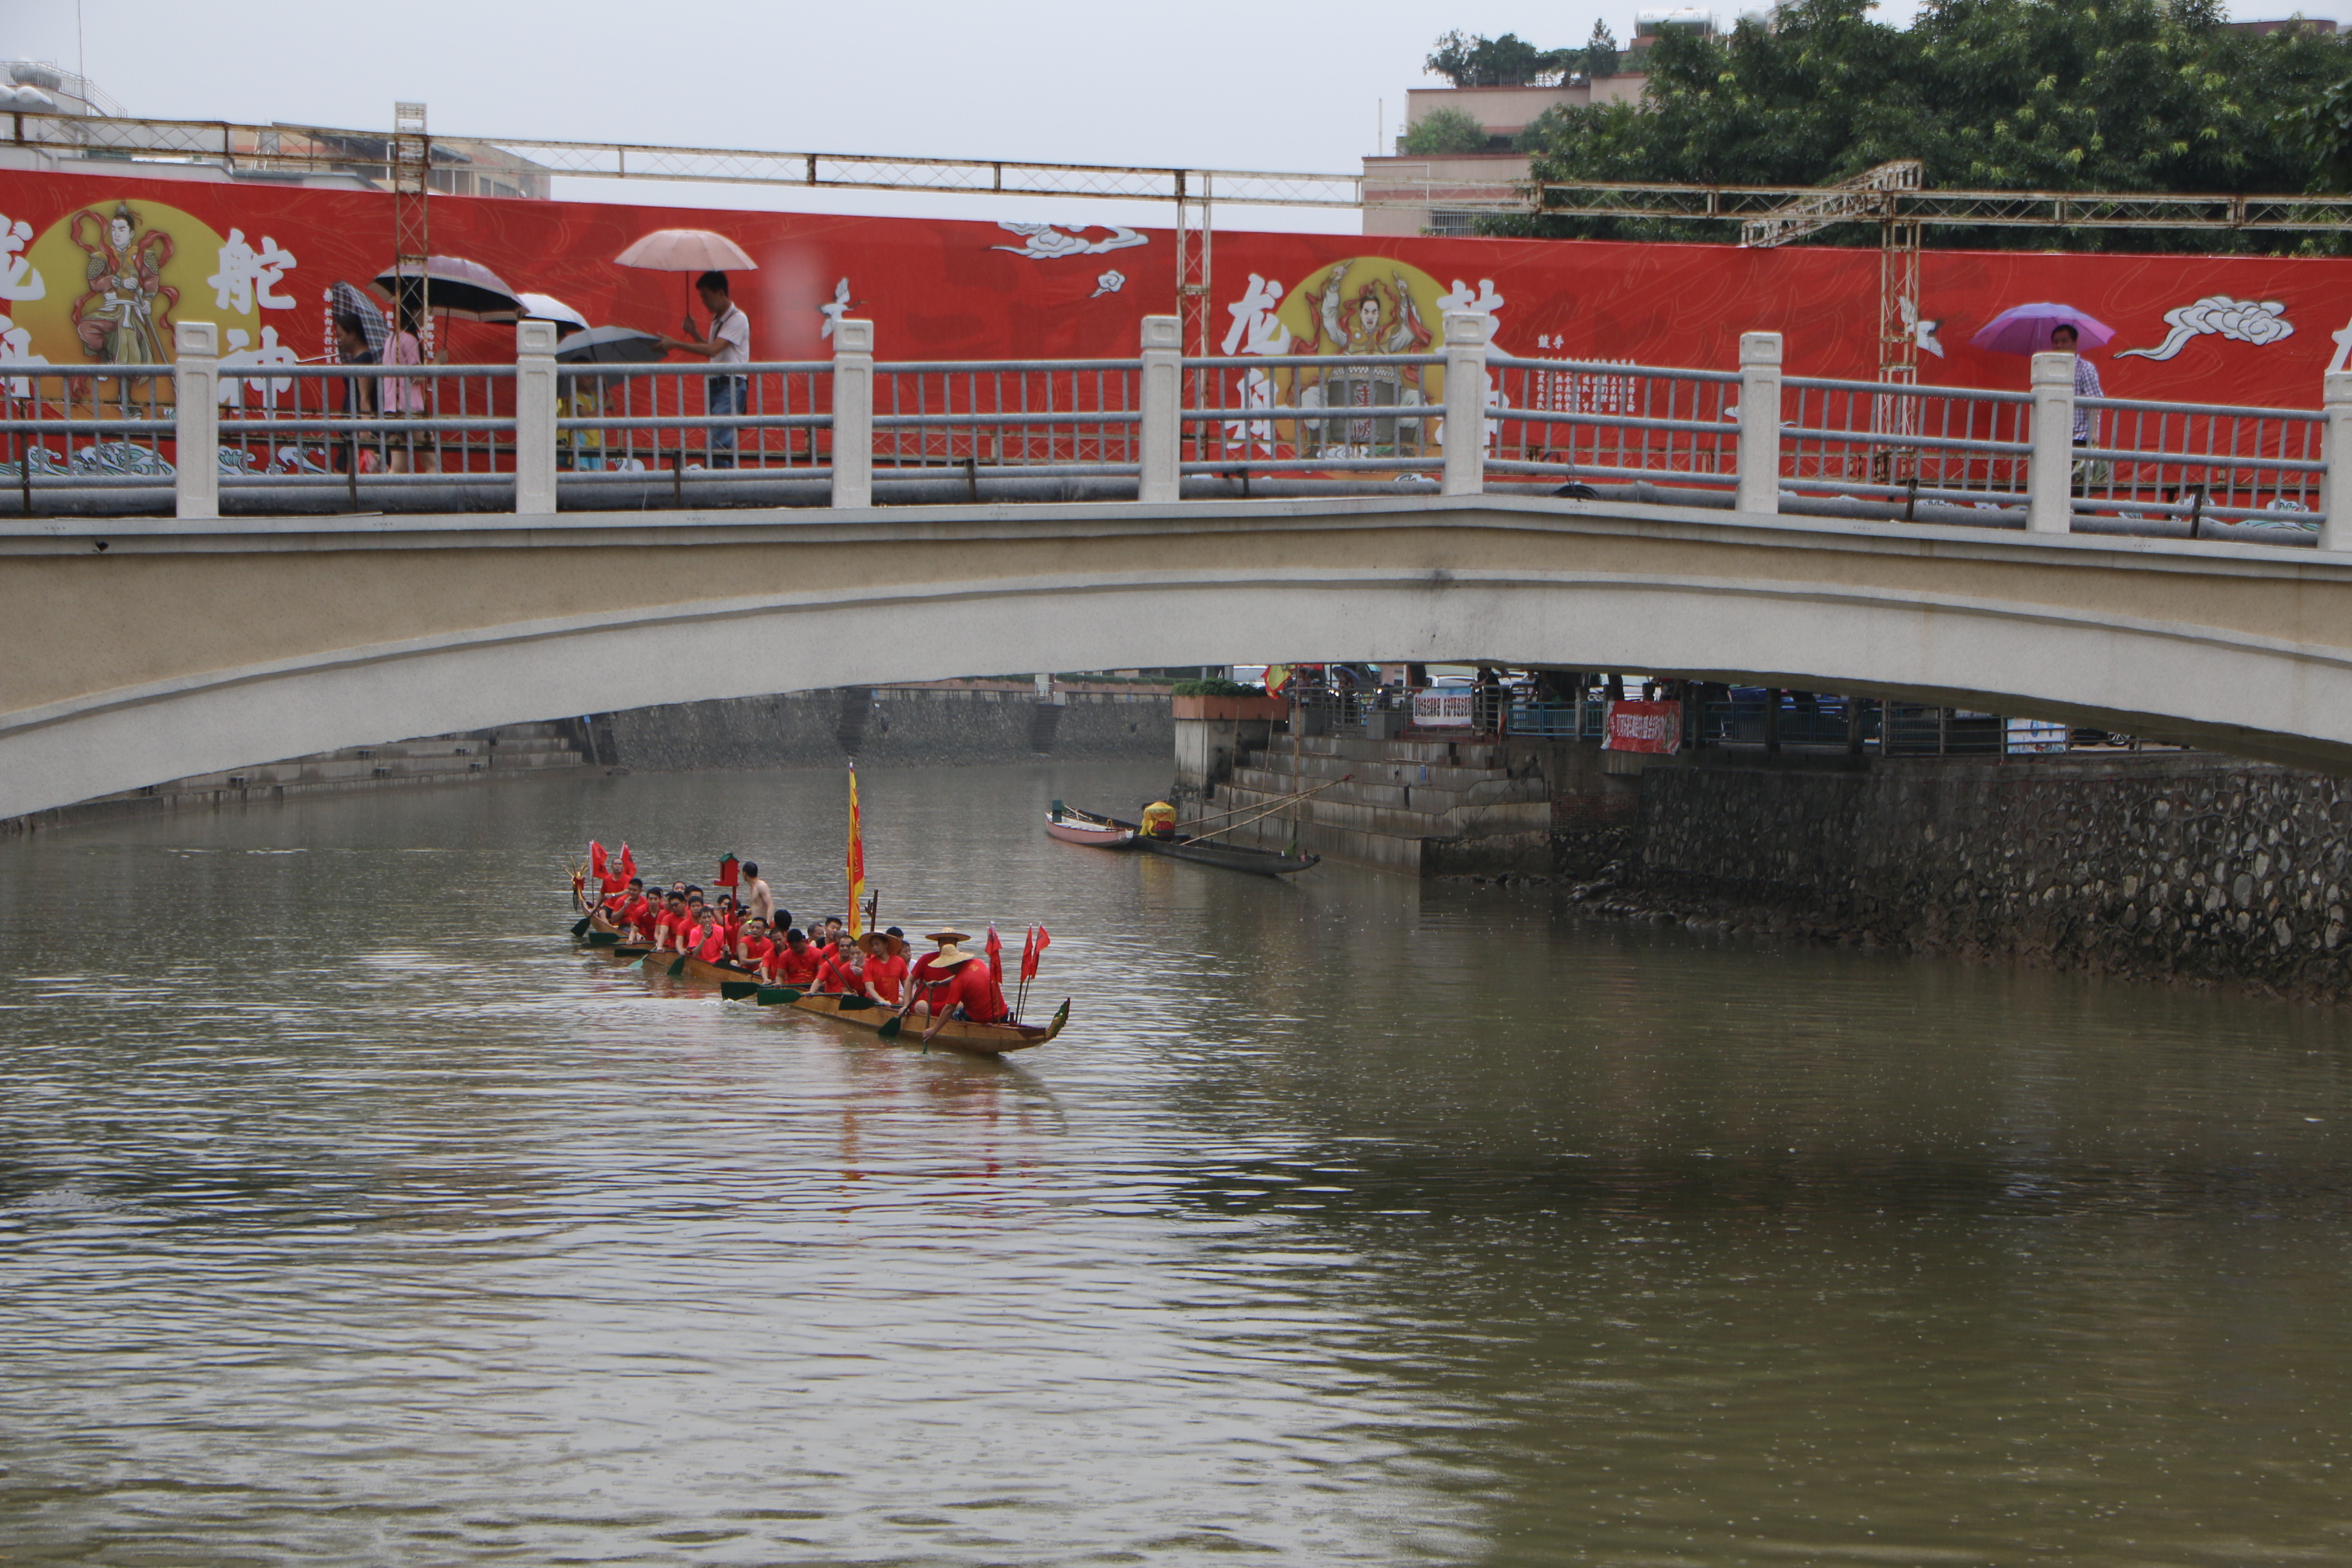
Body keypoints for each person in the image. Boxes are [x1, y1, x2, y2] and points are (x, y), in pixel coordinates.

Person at [659, 270, 750, 469]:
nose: (704, 302)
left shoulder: (737, 319)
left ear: (720, 293)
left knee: (718, 441)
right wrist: (694, 333)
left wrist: (675, 344)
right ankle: (722, 483)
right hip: (718, 385)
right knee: (719, 437)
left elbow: (713, 348)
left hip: (730, 385)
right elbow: (712, 352)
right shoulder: (719, 320)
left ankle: (720, 487)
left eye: (706, 297)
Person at [331, 311, 378, 475]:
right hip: (350, 424)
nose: (339, 340)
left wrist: (365, 427)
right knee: (342, 472)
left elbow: (364, 396)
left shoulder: (365, 361)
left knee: (347, 473)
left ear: (352, 334)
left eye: (341, 335)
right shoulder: (357, 360)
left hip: (357, 426)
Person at [741, 861, 774, 925]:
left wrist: (767, 923)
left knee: (743, 930)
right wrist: (744, 911)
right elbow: (757, 908)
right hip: (754, 922)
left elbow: (770, 906)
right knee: (742, 929)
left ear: (745, 874)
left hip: (762, 923)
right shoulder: (752, 888)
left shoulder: (761, 886)